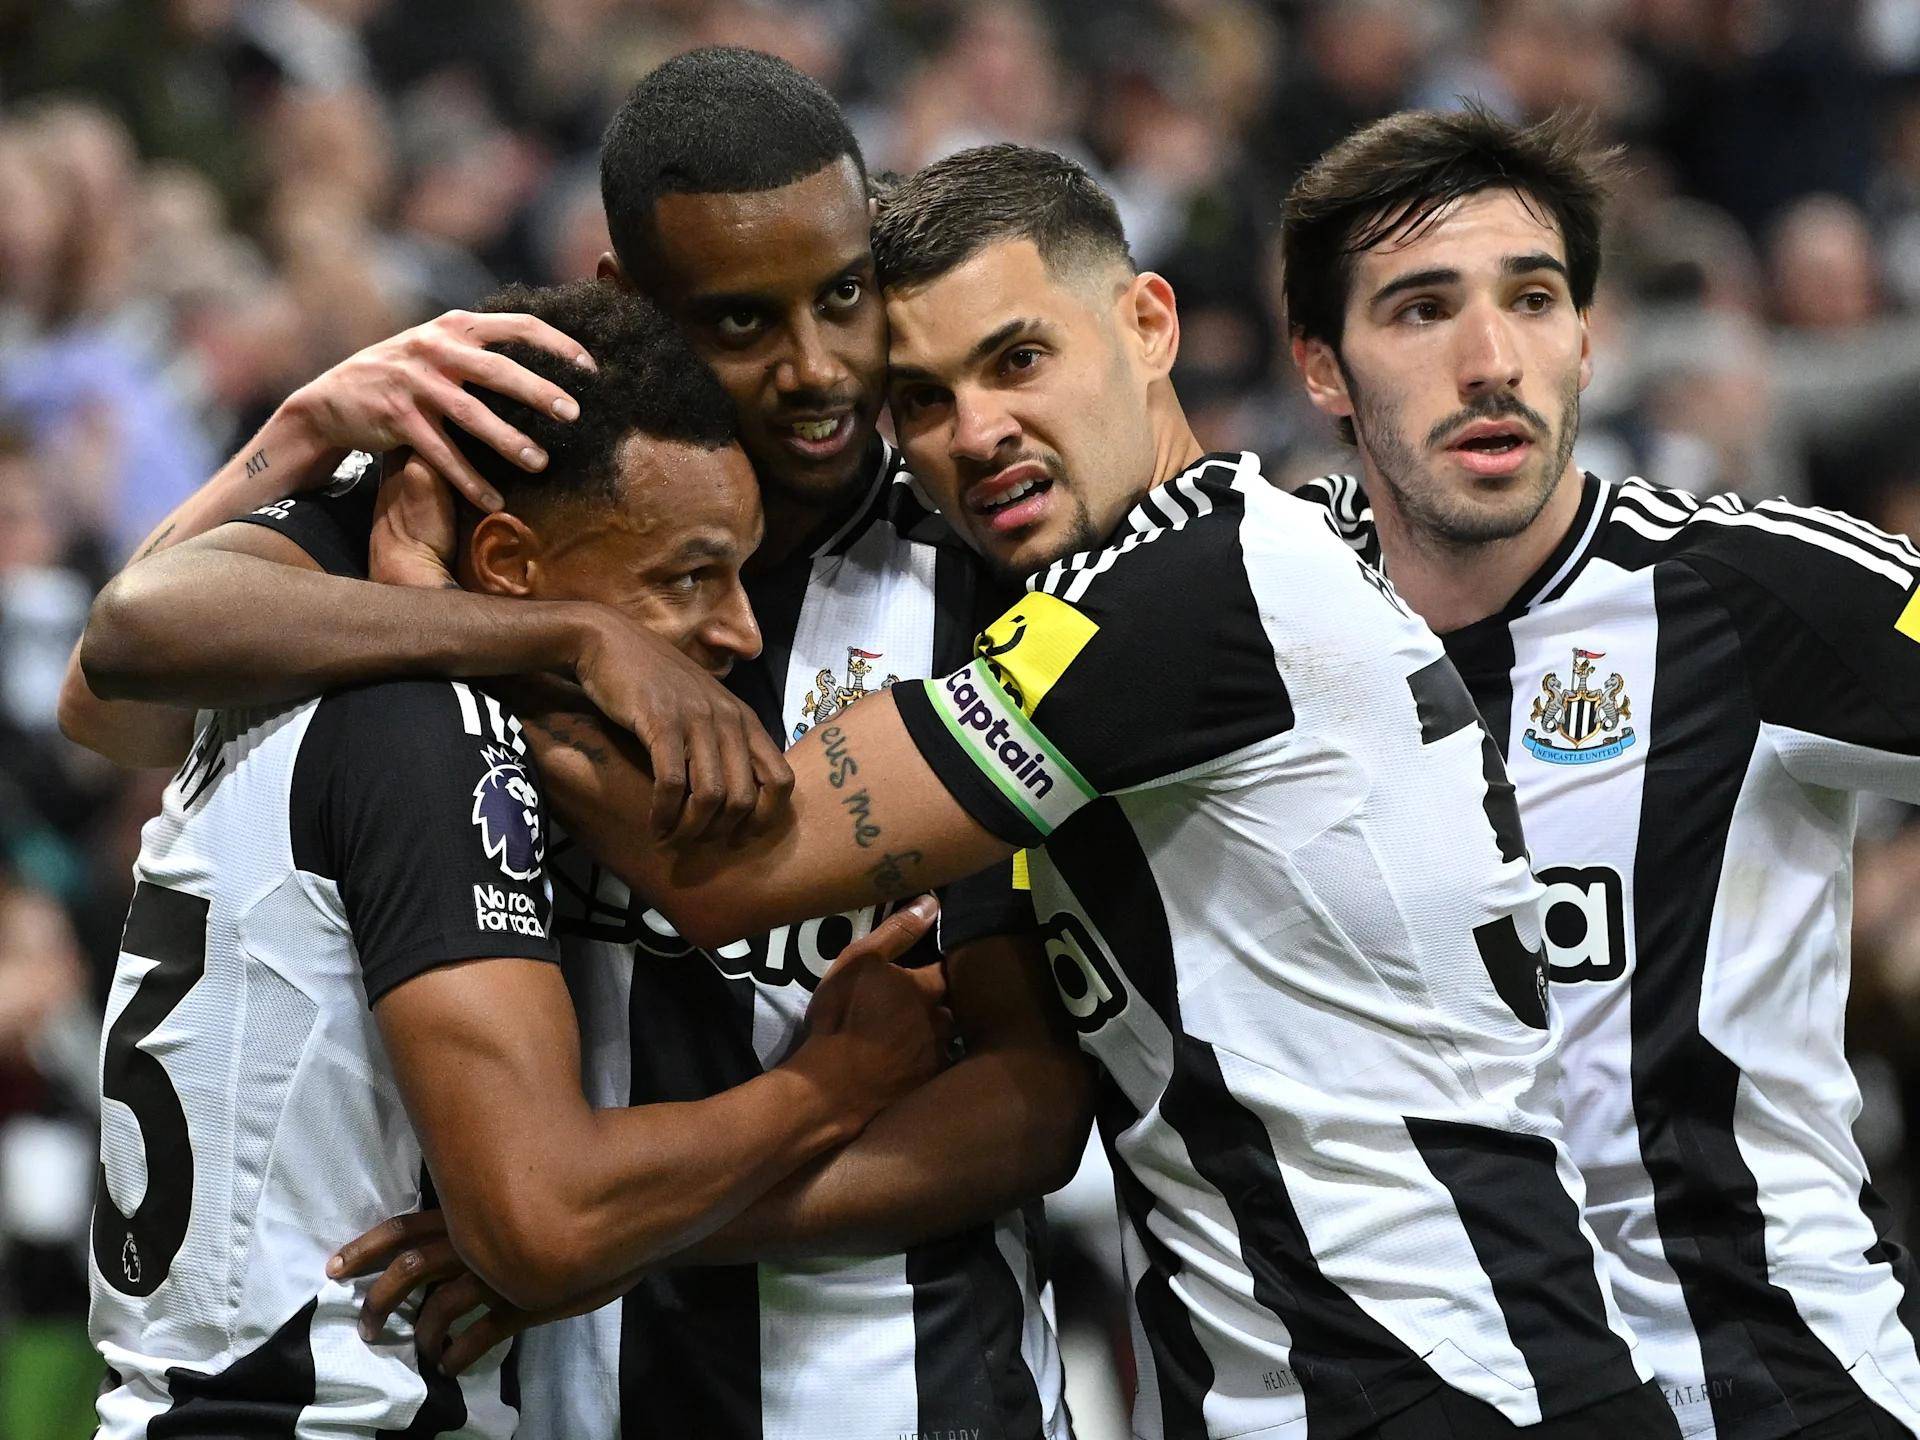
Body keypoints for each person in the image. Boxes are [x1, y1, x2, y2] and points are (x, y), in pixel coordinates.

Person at [461, 142, 1680, 1440]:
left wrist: (493, 618)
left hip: (1437, 1388)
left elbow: (725, 869)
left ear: (1148, 324)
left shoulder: (1177, 596)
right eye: (922, 399)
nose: (977, 431)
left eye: (1019, 360)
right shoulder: (1214, 565)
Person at [63, 48, 1082, 1440]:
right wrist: (310, 432)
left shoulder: (977, 574)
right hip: (562, 1392)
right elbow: (111, 685)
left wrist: (616, 1237)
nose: (816, 369)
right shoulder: (502, 492)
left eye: (845, 297)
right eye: (740, 321)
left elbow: (1027, 1103)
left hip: (900, 1390)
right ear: (629, 302)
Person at [1282, 106, 1920, 1440]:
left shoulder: (1754, 594)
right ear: (1322, 367)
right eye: (1421, 310)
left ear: (1587, 336)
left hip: (1766, 1386)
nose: (1491, 362)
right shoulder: (1258, 613)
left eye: (1533, 299)